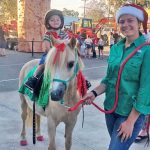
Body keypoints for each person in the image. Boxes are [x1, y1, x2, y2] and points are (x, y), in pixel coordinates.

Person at [83, 3, 150, 150]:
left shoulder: (147, 50)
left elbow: (146, 89)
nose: (125, 24)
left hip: (129, 114)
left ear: (139, 22)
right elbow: (108, 79)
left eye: (130, 20)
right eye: (121, 21)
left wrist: (131, 121)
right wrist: (93, 93)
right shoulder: (115, 49)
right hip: (110, 111)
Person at [24, 9, 68, 91]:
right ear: (48, 23)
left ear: (61, 21)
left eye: (57, 19)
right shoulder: (48, 34)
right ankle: (33, 79)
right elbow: (48, 47)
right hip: (50, 53)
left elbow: (67, 45)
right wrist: (54, 52)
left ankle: (80, 79)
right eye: (52, 20)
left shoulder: (64, 33)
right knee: (42, 64)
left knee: (72, 63)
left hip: (63, 54)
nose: (55, 21)